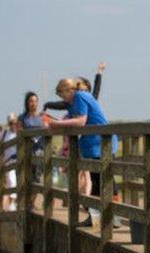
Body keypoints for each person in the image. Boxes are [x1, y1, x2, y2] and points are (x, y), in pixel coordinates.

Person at [48, 77, 118, 227]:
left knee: (104, 180)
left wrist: (57, 123)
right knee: (97, 182)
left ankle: (112, 216)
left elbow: (81, 120)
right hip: (93, 144)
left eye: (62, 95)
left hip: (101, 143)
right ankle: (96, 218)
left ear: (68, 90)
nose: (62, 99)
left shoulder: (80, 96)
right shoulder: (76, 100)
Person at [19, 92, 46, 184]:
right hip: (27, 151)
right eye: (31, 101)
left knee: (37, 179)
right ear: (27, 103)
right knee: (28, 180)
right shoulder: (22, 118)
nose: (33, 103)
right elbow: (19, 134)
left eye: (35, 101)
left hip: (40, 150)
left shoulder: (42, 117)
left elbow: (47, 131)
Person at [0, 114, 19, 212]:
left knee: (14, 181)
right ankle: (10, 204)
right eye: (11, 123)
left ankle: (13, 203)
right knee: (9, 182)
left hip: (18, 161)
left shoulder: (20, 132)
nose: (13, 125)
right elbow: (0, 148)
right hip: (7, 162)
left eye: (14, 123)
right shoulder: (4, 133)